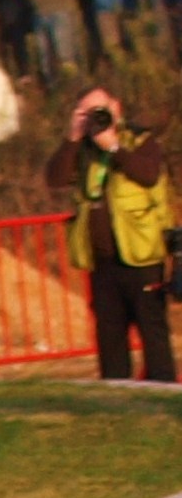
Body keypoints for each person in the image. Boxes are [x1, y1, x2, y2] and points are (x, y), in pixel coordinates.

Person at [45, 88, 174, 383]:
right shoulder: (82, 150)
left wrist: (114, 147)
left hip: (141, 256)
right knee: (110, 336)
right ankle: (116, 395)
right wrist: (72, 138)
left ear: (116, 107)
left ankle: (163, 392)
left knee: (153, 333)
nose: (97, 118)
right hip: (102, 262)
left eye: (101, 110)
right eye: (88, 112)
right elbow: (55, 178)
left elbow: (148, 174)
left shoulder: (139, 140)